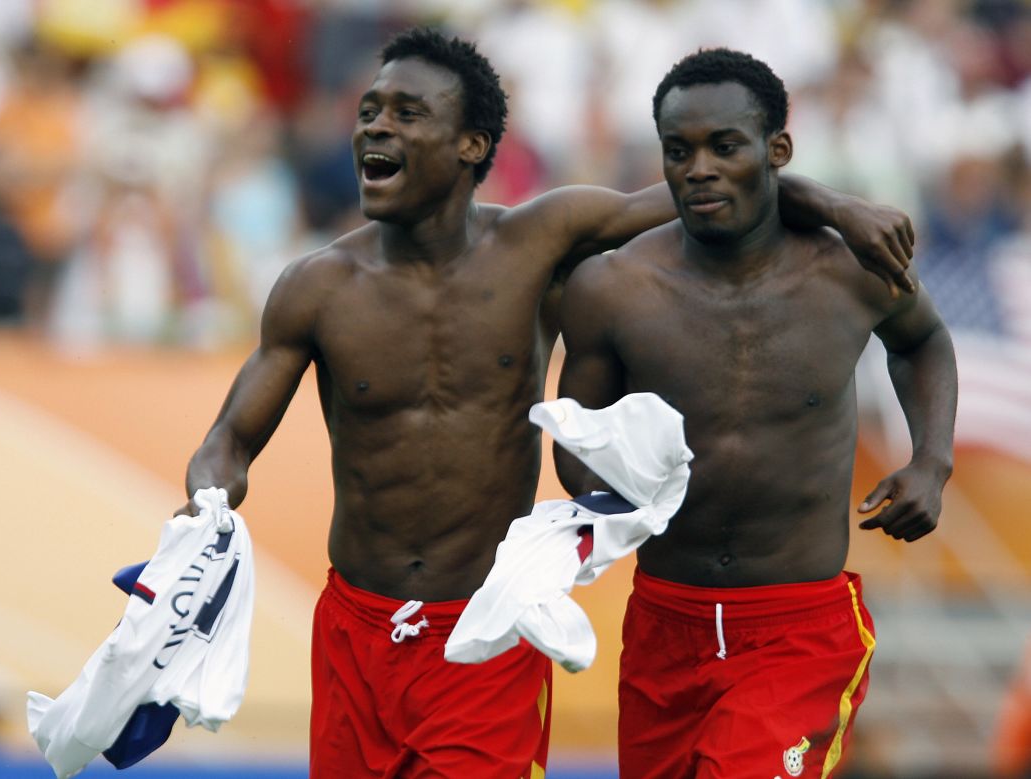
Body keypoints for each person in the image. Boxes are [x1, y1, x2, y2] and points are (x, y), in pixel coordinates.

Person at [179, 29, 917, 778]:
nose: (375, 125)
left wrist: (831, 204)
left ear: (470, 145)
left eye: (406, 113)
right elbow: (231, 439)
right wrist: (205, 501)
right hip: (354, 632)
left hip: (487, 632)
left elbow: (707, 184)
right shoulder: (315, 286)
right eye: (370, 110)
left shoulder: (540, 239)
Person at [554, 48, 958, 779]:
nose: (699, 168)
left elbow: (924, 339)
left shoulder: (849, 271)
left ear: (778, 152)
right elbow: (576, 438)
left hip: (796, 629)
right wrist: (604, 495)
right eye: (679, 151)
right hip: (662, 623)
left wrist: (931, 459)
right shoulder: (612, 287)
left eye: (724, 146)